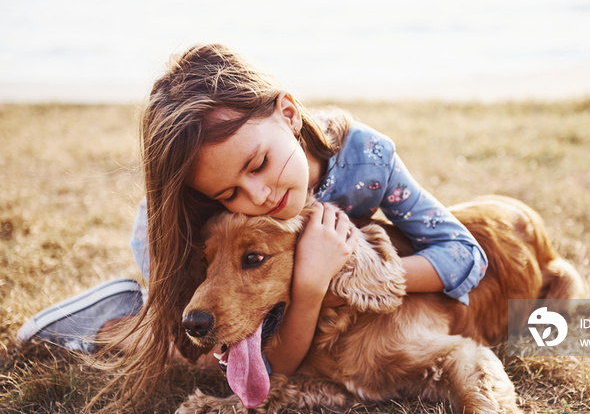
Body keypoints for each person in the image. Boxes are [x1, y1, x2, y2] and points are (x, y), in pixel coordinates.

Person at [17, 43, 488, 402]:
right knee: (195, 350)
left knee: (548, 329)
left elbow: (464, 254)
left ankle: (559, 332)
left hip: (281, 267)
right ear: (213, 197)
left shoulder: (368, 158)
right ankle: (120, 320)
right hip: (183, 250)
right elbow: (274, 364)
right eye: (231, 194)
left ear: (288, 115)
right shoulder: (209, 205)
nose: (259, 196)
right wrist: (309, 283)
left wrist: (333, 274)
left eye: (260, 164)